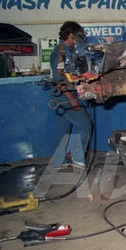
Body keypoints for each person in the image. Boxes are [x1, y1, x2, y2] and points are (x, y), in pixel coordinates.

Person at [49, 21, 91, 169]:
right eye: (78, 36)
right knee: (85, 125)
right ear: (71, 35)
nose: (80, 39)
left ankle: (58, 161)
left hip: (60, 96)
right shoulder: (60, 53)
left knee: (63, 129)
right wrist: (72, 100)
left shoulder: (66, 51)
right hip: (64, 97)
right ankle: (78, 159)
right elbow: (59, 82)